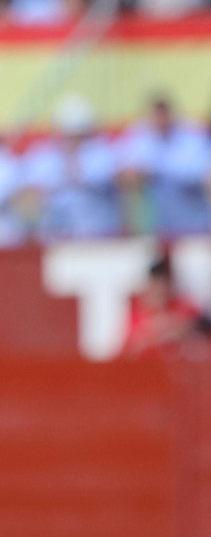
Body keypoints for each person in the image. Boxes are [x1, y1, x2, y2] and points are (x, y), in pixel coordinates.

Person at [22, 94, 122, 240]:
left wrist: (71, 165)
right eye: (68, 134)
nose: (72, 139)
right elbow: (31, 190)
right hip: (57, 236)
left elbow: (101, 179)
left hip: (97, 234)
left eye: (78, 135)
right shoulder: (46, 155)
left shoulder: (103, 154)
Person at [116, 93, 211, 238]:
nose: (160, 120)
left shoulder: (191, 136)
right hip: (159, 226)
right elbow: (124, 169)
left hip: (194, 224)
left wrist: (156, 170)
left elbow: (200, 174)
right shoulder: (141, 135)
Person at [121, 256, 210, 359]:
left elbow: (203, 325)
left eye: (164, 286)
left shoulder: (183, 307)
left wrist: (180, 326)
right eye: (157, 287)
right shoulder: (137, 311)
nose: (160, 292)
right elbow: (130, 349)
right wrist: (152, 334)